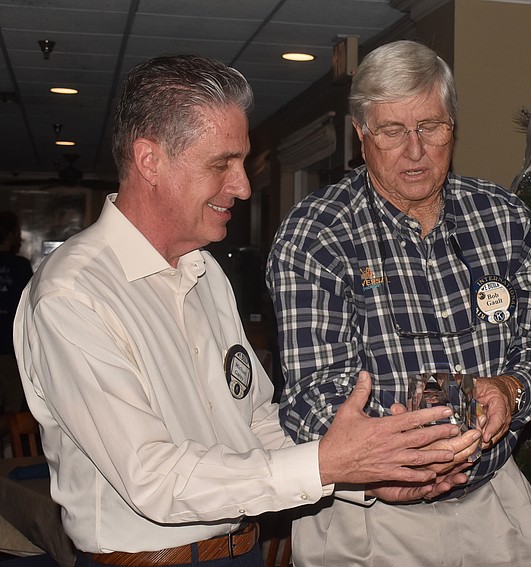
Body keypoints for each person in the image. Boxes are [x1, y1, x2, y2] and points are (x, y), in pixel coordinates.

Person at [13, 54, 471, 566]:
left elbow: (252, 423)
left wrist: (363, 474)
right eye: (221, 164)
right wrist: (326, 464)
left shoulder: (205, 272)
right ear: (149, 161)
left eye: (241, 163)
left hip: (243, 551)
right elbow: (153, 478)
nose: (243, 186)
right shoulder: (73, 294)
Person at [266, 40, 531, 567]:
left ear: (453, 125)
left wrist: (511, 388)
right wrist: (392, 453)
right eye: (392, 131)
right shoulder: (316, 236)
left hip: (495, 506)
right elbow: (312, 395)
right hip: (369, 521)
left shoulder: (505, 220)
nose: (415, 150)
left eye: (430, 127)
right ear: (361, 135)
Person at [0, 211, 32, 413]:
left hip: (10, 348)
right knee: (14, 407)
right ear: (10, 234)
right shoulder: (20, 266)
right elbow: (28, 308)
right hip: (10, 349)